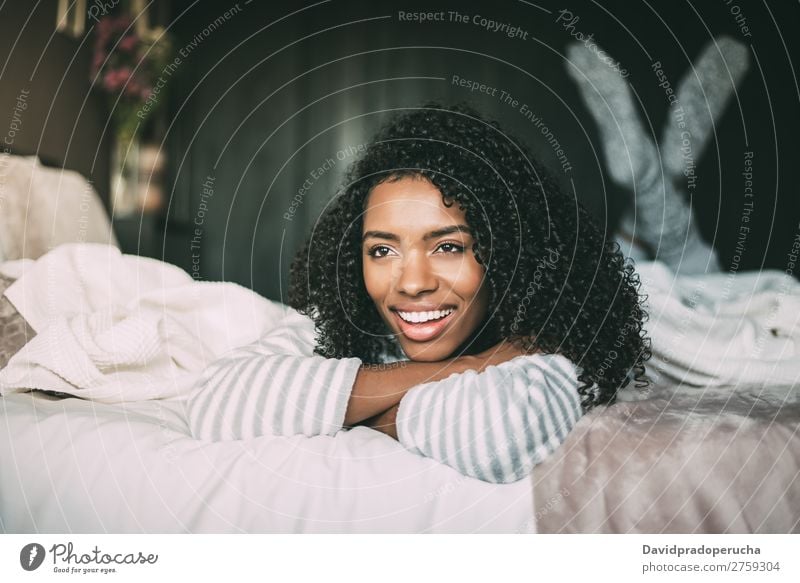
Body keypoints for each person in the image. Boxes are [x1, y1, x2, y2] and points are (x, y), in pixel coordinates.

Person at [186, 103, 650, 483]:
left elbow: (496, 437)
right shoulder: (343, 325)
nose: (411, 282)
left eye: (448, 246)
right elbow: (215, 404)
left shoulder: (542, 341)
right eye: (383, 250)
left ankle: (647, 201)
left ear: (509, 251)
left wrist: (342, 410)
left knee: (659, 270)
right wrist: (464, 367)